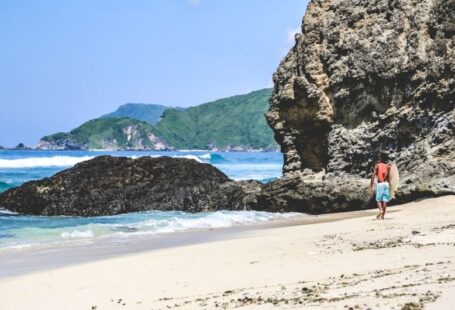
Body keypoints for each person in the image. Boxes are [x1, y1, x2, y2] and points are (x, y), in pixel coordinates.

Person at [370, 152, 391, 220]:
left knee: (378, 200)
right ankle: (382, 217)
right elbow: (389, 177)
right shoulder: (388, 166)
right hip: (386, 184)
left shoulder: (377, 165)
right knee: (384, 200)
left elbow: (373, 176)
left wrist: (371, 185)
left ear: (380, 158)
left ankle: (380, 210)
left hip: (380, 184)